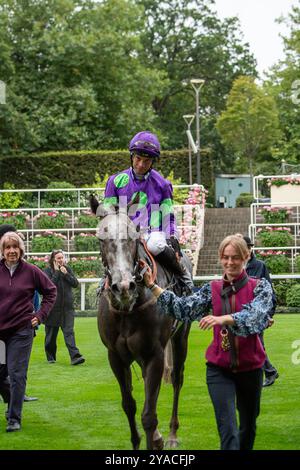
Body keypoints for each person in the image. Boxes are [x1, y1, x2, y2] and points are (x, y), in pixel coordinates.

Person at [143, 235, 274, 450]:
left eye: (236, 257)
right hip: (218, 369)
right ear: (220, 258)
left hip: (251, 369)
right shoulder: (210, 289)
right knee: (228, 432)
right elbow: (183, 308)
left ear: (246, 257)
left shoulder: (261, 287)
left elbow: (257, 316)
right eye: (225, 257)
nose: (230, 262)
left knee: (248, 428)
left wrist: (223, 319)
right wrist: (152, 285)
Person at [103, 130, 193, 292]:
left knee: (155, 245)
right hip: (126, 233)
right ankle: (103, 284)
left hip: (153, 232)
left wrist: (172, 238)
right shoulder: (115, 181)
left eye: (147, 161)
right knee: (112, 248)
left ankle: (184, 278)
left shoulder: (162, 184)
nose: (141, 165)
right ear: (132, 157)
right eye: (138, 159)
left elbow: (168, 215)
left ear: (153, 162)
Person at [0, 231, 56, 432]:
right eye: (8, 248)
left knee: (17, 374)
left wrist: (40, 315)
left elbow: (51, 291)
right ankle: (11, 402)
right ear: (3, 251)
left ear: (21, 250)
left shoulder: (31, 271)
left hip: (21, 332)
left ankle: (14, 418)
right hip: (0, 335)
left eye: (15, 247)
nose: (12, 251)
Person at [0, 224, 39, 405]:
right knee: (3, 370)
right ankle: (14, 396)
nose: (13, 249)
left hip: (21, 327)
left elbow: (42, 292)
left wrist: (37, 316)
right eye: (9, 244)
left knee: (16, 370)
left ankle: (15, 401)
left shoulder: (25, 267)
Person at [242, 235, 279, 388]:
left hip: (259, 312)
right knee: (254, 345)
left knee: (256, 345)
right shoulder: (235, 266)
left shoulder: (260, 266)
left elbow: (269, 291)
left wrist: (269, 314)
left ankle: (269, 372)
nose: (248, 250)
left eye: (249, 247)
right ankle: (269, 371)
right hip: (242, 313)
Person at [43, 250, 85, 365]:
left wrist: (66, 274)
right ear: (53, 260)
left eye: (62, 257)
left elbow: (75, 284)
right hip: (52, 309)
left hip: (67, 308)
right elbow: (48, 287)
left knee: (69, 332)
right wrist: (57, 272)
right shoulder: (47, 271)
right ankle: (50, 357)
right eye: (58, 258)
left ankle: (75, 356)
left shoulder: (67, 269)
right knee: (51, 336)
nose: (61, 260)